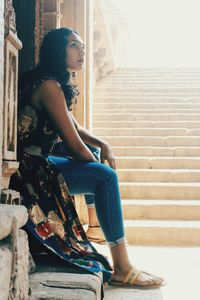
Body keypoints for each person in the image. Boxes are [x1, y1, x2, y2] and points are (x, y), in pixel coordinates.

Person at [10, 27, 164, 289]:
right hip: (26, 173)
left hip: (35, 161)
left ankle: (96, 227)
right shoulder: (49, 86)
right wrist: (102, 174)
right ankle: (123, 267)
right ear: (57, 51)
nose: (82, 50)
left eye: (82, 45)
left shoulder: (52, 82)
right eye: (73, 45)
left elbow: (77, 128)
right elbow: (72, 144)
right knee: (105, 177)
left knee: (93, 155)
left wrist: (104, 145)